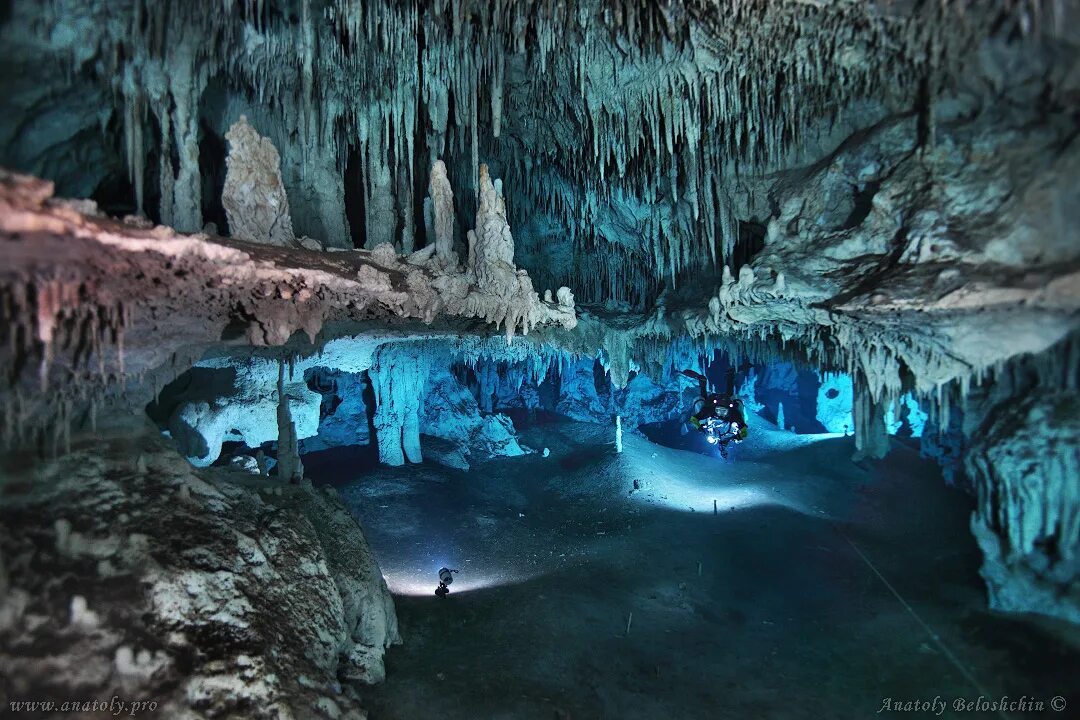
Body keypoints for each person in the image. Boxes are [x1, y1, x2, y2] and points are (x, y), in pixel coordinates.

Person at [681, 368, 748, 458]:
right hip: (712, 403)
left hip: (724, 405)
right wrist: (700, 428)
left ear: (728, 410)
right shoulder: (711, 410)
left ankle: (729, 376)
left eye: (723, 411)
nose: (720, 413)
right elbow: (693, 419)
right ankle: (704, 382)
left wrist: (734, 438)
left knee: (730, 397)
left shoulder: (734, 414)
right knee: (704, 405)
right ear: (715, 408)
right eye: (718, 410)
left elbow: (744, 430)